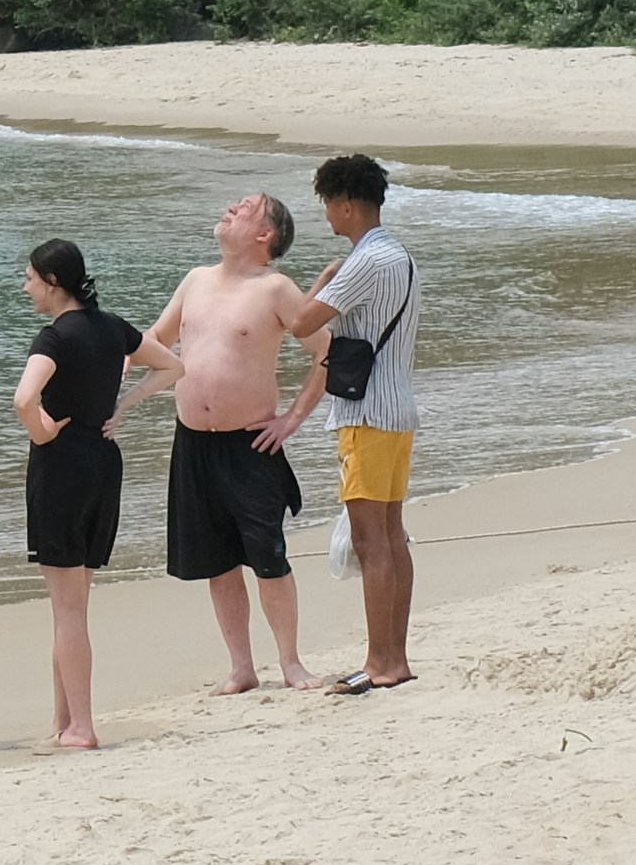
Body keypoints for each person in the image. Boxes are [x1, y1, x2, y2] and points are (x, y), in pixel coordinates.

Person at [137, 193, 317, 691]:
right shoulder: (195, 279)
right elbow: (155, 341)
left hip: (252, 444)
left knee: (267, 557)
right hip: (193, 442)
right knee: (217, 560)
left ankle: (290, 662)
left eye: (245, 208)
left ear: (266, 235)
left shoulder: (276, 289)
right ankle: (241, 667)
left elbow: (327, 355)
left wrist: (291, 420)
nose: (230, 209)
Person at [302, 151, 427, 692]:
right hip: (398, 407)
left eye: (329, 204)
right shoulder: (399, 256)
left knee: (370, 540)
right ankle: (392, 656)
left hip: (367, 412)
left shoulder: (364, 261)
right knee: (392, 538)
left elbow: (303, 323)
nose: (327, 214)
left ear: (347, 206)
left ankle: (382, 662)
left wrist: (324, 277)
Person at [10, 237, 133, 750]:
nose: (26, 286)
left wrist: (41, 431)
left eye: (31, 278)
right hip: (103, 467)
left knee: (66, 609)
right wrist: (124, 407)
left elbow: (22, 398)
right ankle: (64, 718)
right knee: (75, 601)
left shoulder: (54, 338)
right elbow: (173, 364)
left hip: (60, 471)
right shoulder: (112, 328)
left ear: (53, 283)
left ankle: (81, 725)